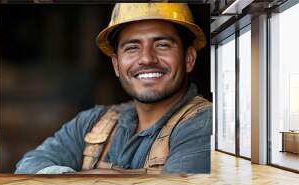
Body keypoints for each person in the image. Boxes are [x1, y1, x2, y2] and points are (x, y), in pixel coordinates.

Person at [15, 3, 212, 175]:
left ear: (189, 59)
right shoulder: (92, 122)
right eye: (132, 48)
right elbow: (29, 165)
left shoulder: (205, 123)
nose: (146, 58)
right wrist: (83, 179)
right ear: (117, 65)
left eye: (162, 45)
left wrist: (88, 182)